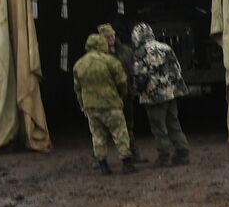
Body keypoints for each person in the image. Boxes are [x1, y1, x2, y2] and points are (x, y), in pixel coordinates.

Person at [72, 33, 136, 175]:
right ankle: (126, 163)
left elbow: (77, 88)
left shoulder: (79, 64)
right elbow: (122, 82)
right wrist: (121, 95)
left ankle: (103, 165)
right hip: (111, 104)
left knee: (98, 136)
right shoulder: (111, 62)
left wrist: (83, 104)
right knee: (120, 132)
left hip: (91, 107)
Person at [130, 22, 190, 166]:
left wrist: (137, 91)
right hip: (171, 93)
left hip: (154, 96)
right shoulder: (166, 47)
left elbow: (140, 77)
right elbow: (177, 69)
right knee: (173, 123)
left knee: (158, 127)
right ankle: (182, 153)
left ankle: (164, 156)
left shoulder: (140, 52)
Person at [96, 22, 140, 161]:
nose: (111, 38)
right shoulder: (97, 55)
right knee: (102, 129)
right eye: (107, 36)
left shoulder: (126, 51)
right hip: (108, 96)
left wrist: (132, 88)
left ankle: (133, 152)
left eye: (112, 35)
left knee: (129, 124)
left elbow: (133, 69)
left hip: (125, 93)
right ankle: (99, 158)